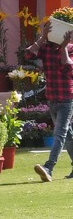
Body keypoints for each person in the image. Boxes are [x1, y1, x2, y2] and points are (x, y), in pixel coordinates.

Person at [34, 15, 73, 181]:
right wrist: (42, 37)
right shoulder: (46, 48)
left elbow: (69, 70)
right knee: (68, 135)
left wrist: (63, 47)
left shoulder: (71, 49)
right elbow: (28, 54)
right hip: (52, 98)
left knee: (60, 134)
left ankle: (49, 168)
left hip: (66, 99)